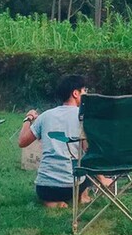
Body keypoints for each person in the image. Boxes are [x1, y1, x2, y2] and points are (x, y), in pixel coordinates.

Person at [18, 73, 93, 207]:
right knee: (85, 163)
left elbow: (22, 142)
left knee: (49, 190)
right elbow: (88, 149)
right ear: (76, 93)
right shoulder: (83, 116)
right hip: (73, 186)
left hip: (45, 187)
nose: (86, 94)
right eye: (84, 91)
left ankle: (52, 202)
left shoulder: (46, 116)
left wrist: (28, 118)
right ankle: (83, 197)